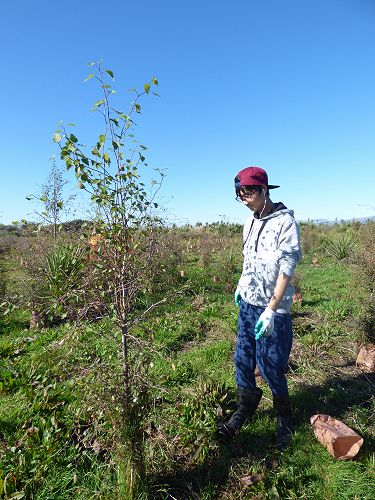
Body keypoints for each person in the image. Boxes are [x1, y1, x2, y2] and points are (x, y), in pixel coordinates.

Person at [218, 166, 302, 449]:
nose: (244, 197)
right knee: (242, 358)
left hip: (272, 310)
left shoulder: (285, 222)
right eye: (240, 193)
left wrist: (271, 308)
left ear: (264, 190)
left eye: (250, 191)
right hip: (248, 303)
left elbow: (287, 266)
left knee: (270, 366)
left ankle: (284, 417)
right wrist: (241, 285)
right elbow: (249, 259)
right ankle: (246, 407)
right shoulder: (249, 222)